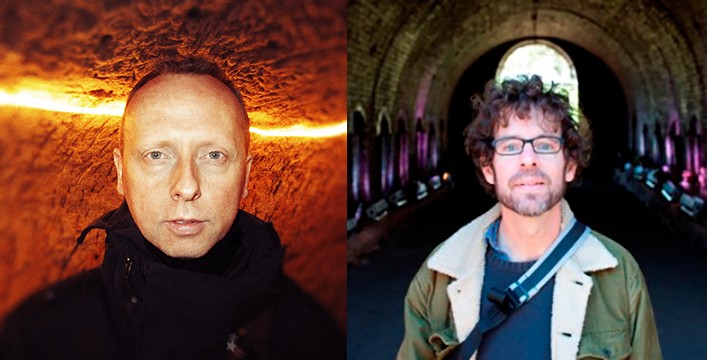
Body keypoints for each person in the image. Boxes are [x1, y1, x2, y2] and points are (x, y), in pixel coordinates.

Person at [0, 57, 344, 359]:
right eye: (157, 155)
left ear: (245, 177)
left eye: (213, 155)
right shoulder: (42, 334)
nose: (186, 186)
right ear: (121, 173)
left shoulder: (306, 335)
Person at [397, 75, 662, 359]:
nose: (528, 159)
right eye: (510, 146)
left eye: (545, 144)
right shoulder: (438, 277)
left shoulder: (620, 274)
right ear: (489, 169)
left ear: (570, 166)